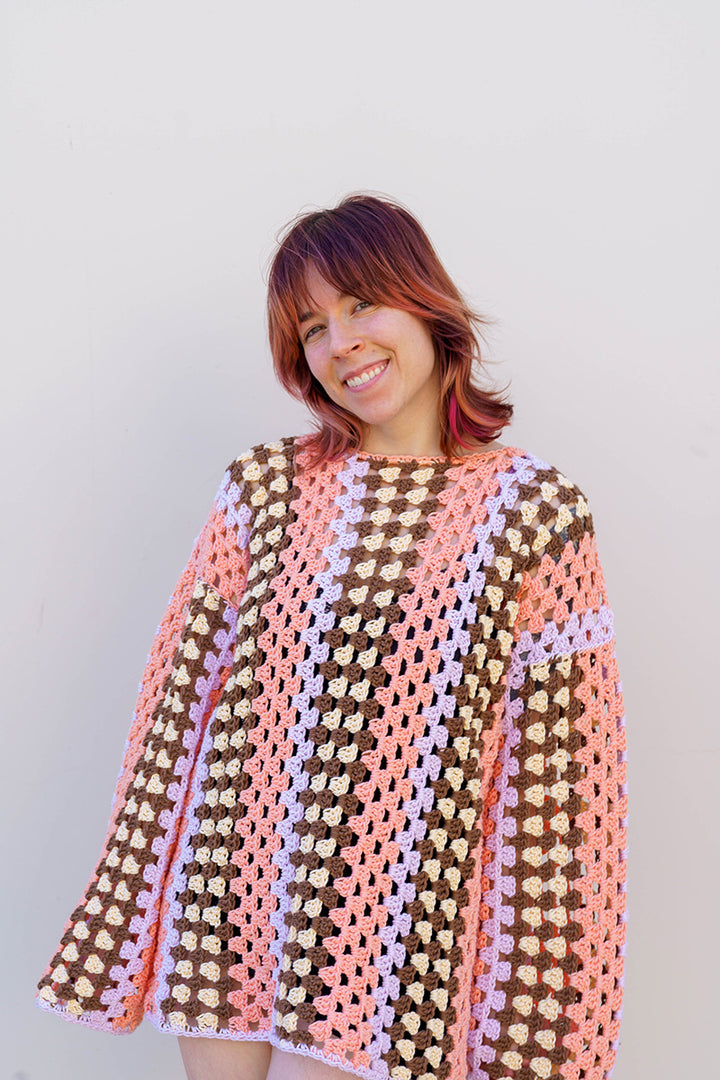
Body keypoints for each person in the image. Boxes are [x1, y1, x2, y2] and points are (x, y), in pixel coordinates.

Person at [35, 193, 628, 1080]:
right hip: (229, 890)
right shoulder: (263, 488)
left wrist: (532, 1006)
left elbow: (562, 775)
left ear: (425, 302)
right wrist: (127, 904)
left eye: (361, 304)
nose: (340, 342)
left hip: (390, 921)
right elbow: (177, 705)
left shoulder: (535, 515)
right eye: (312, 328)